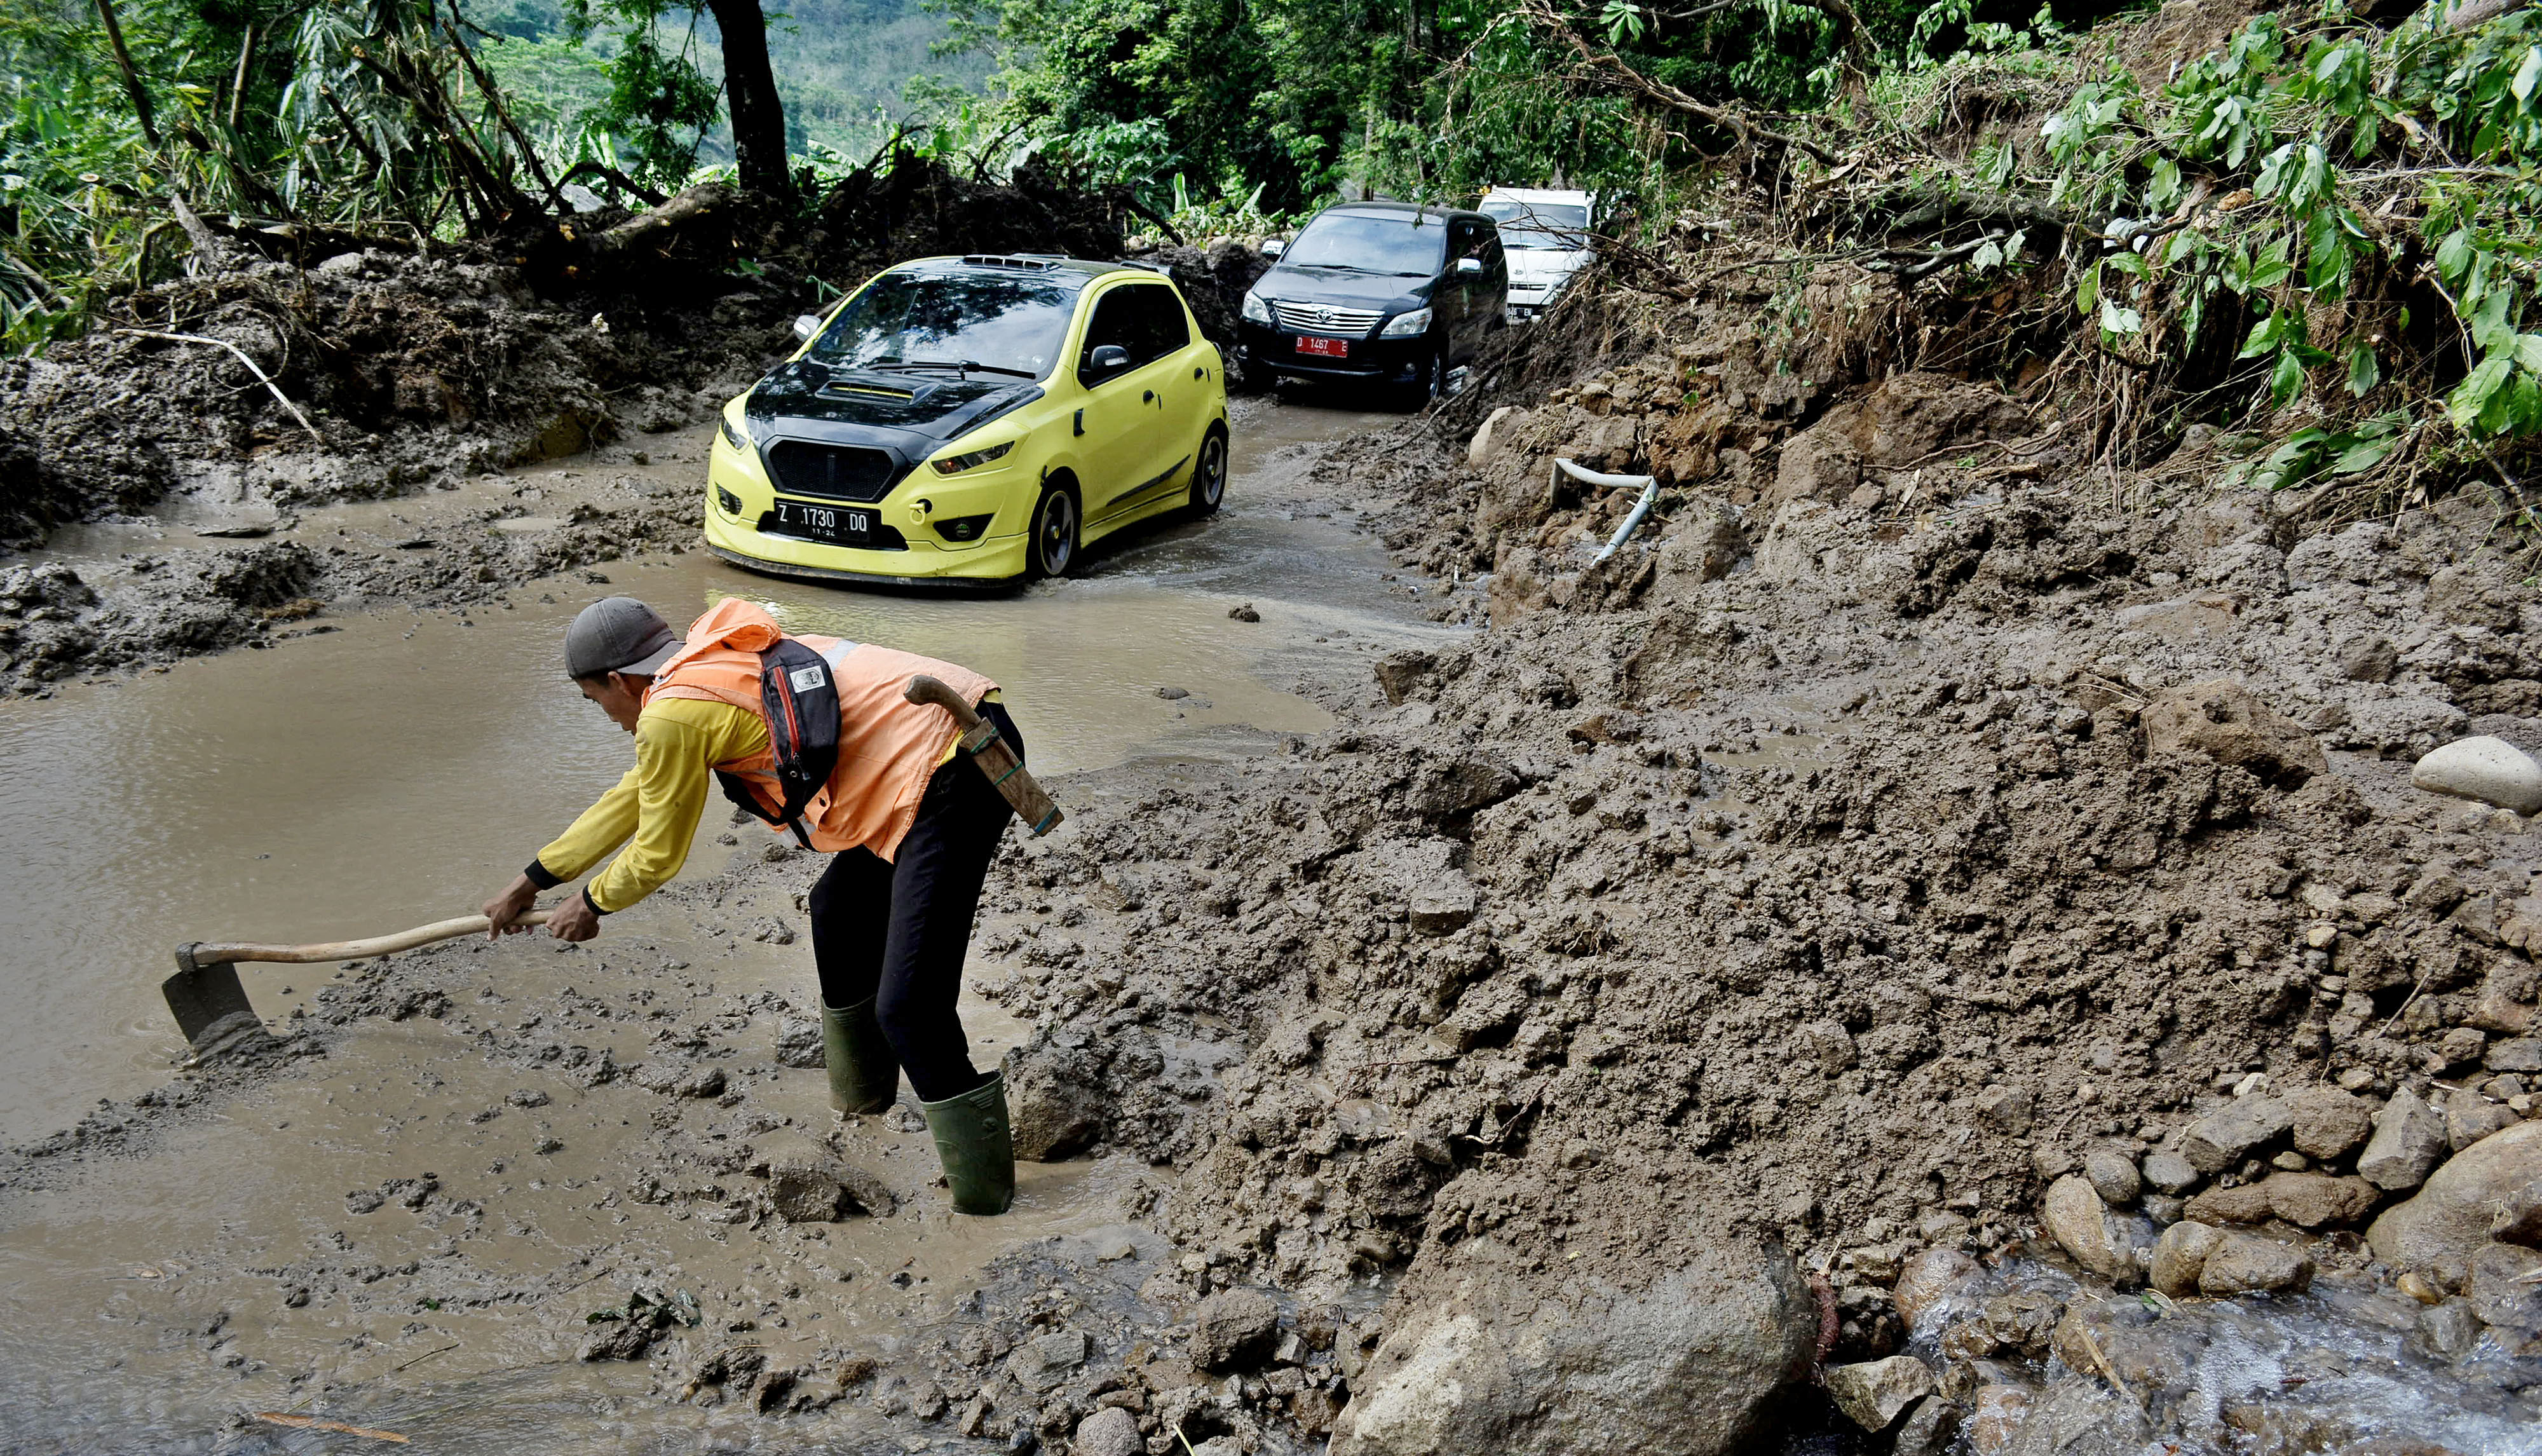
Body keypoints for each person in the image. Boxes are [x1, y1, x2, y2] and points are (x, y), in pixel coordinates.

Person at [482, 595, 1024, 1214]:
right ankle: (864, 1103)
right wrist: (536, 877)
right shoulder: (699, 669)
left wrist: (591, 903)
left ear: (616, 679)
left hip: (959, 762)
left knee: (909, 1006)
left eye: (594, 700)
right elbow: (637, 793)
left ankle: (986, 1201)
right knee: (837, 909)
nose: (605, 715)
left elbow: (658, 853)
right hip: (926, 756)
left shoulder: (673, 713)